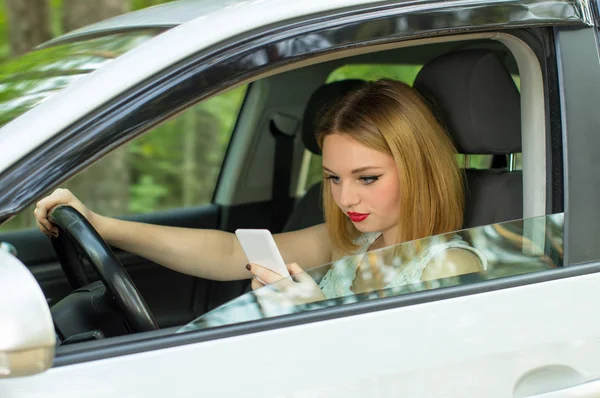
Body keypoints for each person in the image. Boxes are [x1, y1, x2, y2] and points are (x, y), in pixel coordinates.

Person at [34, 79, 484, 305]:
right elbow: (230, 253)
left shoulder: (449, 265)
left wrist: (317, 314)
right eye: (333, 178)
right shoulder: (353, 239)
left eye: (367, 178)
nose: (346, 200)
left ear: (419, 170)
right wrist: (101, 225)